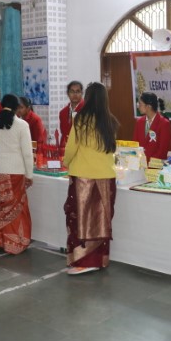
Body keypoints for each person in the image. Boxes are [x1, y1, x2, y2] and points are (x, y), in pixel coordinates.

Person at [62, 82, 119, 275]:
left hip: (83, 178)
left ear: (87, 97)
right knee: (101, 220)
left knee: (80, 220)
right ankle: (100, 260)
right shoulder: (111, 121)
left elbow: (71, 149)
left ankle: (83, 262)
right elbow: (111, 149)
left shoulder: (80, 119)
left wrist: (66, 162)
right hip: (106, 178)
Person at [0, 94, 34, 254]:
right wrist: (29, 175)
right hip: (15, 171)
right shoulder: (22, 125)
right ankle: (13, 243)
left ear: (1, 105)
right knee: (14, 207)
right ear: (17, 108)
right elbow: (27, 154)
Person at [132, 92, 171, 161]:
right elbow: (135, 144)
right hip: (140, 163)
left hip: (156, 164)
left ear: (148, 106)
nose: (138, 106)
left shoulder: (164, 123)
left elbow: (162, 151)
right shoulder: (139, 122)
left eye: (140, 104)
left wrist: (149, 163)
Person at [59, 81, 84, 147]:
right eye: (72, 91)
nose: (75, 94)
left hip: (81, 148)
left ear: (82, 93)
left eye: (78, 91)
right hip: (66, 148)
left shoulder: (87, 110)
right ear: (68, 93)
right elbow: (63, 134)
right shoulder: (62, 112)